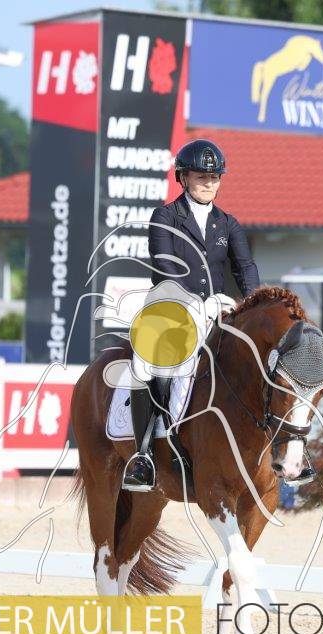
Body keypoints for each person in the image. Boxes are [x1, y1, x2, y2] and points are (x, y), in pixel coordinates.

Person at [123, 138, 261, 492]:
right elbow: (164, 264)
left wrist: (254, 304)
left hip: (217, 310)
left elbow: (245, 268)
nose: (209, 183)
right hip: (170, 310)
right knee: (146, 367)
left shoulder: (227, 224)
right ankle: (144, 455)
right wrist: (195, 301)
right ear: (183, 178)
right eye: (202, 177)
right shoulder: (166, 217)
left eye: (215, 177)